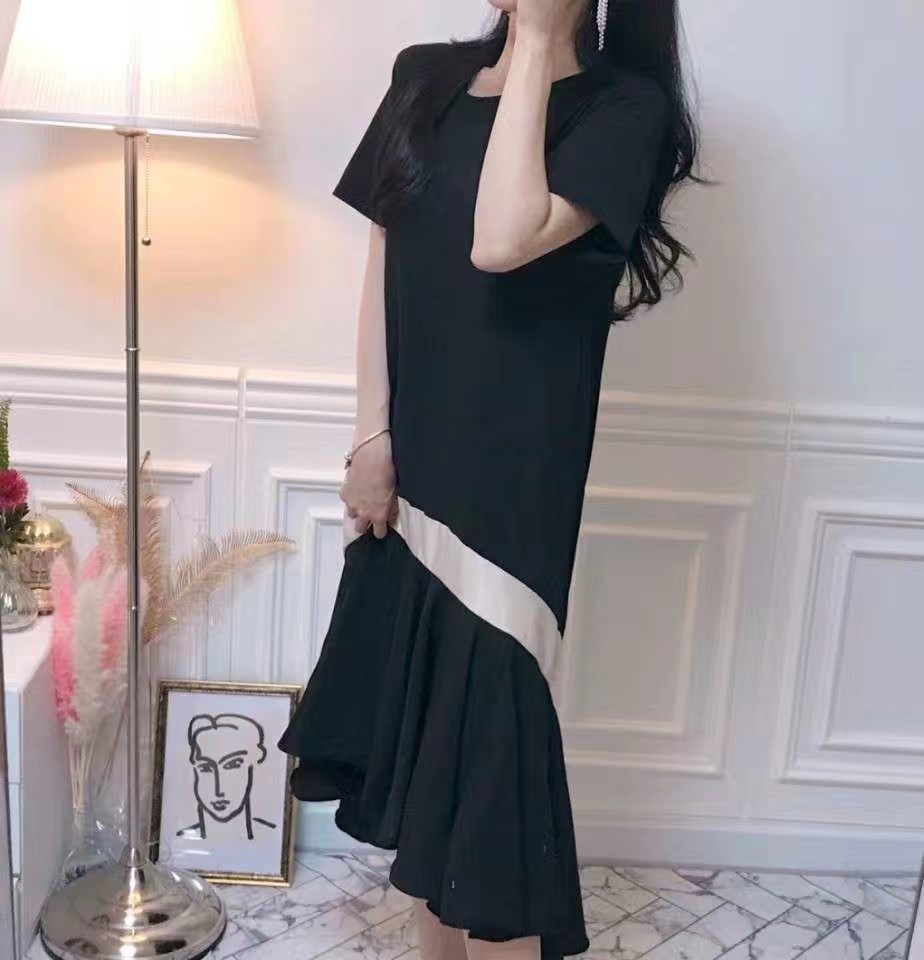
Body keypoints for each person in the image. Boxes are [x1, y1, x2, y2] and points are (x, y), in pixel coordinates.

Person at [279, 1, 699, 958]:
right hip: (414, 465)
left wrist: (540, 41)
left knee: (487, 799)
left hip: (514, 487)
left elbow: (501, 239)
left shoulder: (624, 110)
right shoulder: (423, 74)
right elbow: (385, 253)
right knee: (428, 779)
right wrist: (370, 435)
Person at [179, 713, 277, 841]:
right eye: (205, 768)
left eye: (233, 765)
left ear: (254, 760)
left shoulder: (271, 837)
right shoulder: (180, 840)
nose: (218, 790)